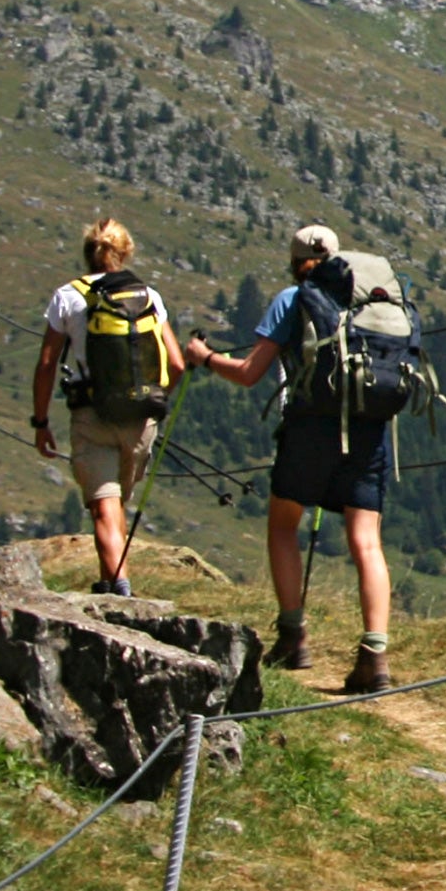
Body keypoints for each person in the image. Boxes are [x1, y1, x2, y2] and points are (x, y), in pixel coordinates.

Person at [185, 222, 393, 692]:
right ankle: (375, 657)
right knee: (367, 541)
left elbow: (248, 373)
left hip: (311, 427)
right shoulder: (374, 299)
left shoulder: (293, 297)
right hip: (369, 429)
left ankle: (294, 637)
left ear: (296, 261)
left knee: (283, 523)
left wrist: (203, 356)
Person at [32, 216, 187, 596]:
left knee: (105, 504)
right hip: (140, 418)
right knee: (117, 501)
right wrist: (154, 399)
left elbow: (48, 363)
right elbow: (178, 364)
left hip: (91, 414)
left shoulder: (67, 297)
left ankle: (118, 586)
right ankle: (113, 581)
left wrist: (40, 421)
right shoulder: (149, 297)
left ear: (87, 254)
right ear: (126, 252)